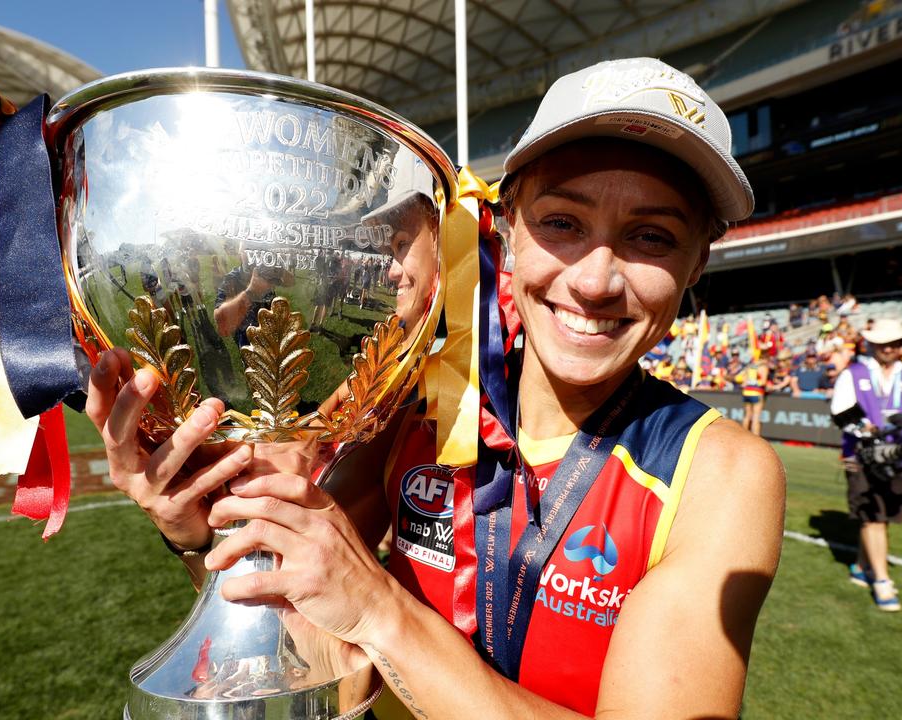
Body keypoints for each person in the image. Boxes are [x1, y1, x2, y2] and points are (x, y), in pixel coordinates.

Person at [87, 57, 783, 718]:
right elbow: (291, 629)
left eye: (653, 238)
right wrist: (201, 534)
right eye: (562, 224)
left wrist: (380, 609)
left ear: (697, 262)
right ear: (507, 227)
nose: (595, 280)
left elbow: (359, 609)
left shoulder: (720, 474)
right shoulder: (417, 406)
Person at [831, 318, 902, 611]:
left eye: (894, 343)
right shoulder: (853, 374)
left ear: (901, 347)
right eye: (883, 343)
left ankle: (861, 565)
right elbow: (840, 411)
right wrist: (865, 428)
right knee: (873, 516)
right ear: (872, 344)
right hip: (862, 455)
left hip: (899, 457)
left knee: (884, 514)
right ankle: (882, 581)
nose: (888, 348)